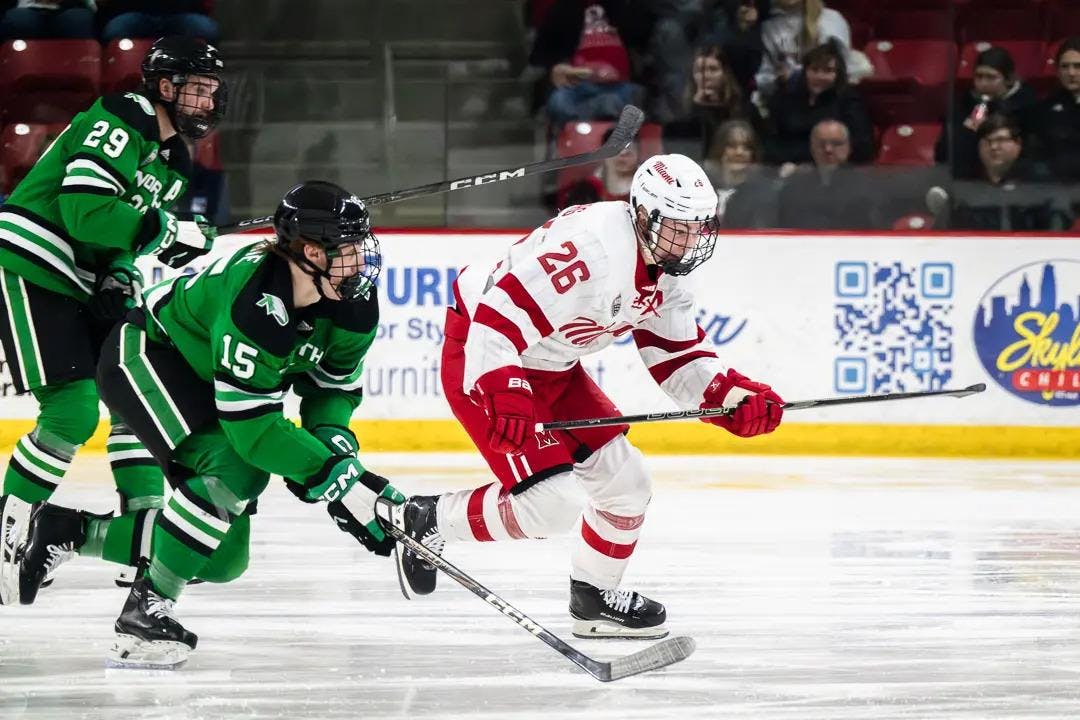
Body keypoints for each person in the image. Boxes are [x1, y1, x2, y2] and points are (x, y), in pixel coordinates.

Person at [392, 154, 783, 639]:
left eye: (697, 227)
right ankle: (426, 518)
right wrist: (506, 390)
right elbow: (497, 316)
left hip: (553, 366)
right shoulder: (593, 252)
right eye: (675, 227)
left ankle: (593, 598)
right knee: (552, 503)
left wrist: (733, 396)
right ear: (642, 214)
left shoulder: (667, 267)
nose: (688, 241)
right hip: (487, 353)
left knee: (628, 484)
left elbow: (675, 352)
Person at [18, 181, 407, 669]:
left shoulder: (354, 305)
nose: (363, 260)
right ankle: (144, 613)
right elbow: (253, 430)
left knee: (223, 559)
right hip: (149, 355)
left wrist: (337, 456)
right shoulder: (257, 301)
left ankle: (69, 531)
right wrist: (335, 479)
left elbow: (330, 390)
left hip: (209, 380)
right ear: (311, 251)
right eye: (350, 249)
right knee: (238, 468)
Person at [0, 36, 225, 606]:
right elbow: (85, 209)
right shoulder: (127, 115)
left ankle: (145, 537)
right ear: (165, 87)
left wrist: (122, 273)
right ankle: (9, 532)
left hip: (82, 274)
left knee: (134, 395)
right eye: (197, 89)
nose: (207, 101)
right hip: (34, 261)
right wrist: (165, 234)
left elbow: (121, 236)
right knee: (72, 411)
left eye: (212, 91)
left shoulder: (175, 160)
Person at [936, 114, 1073, 232]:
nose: (994, 147)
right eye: (987, 141)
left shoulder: (1039, 182)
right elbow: (941, 233)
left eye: (1001, 140)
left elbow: (1057, 227)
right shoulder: (965, 183)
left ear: (1017, 144)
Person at [763, 40, 873, 168]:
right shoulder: (785, 96)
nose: (819, 76)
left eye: (828, 71)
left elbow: (861, 146)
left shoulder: (849, 100)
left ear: (838, 75)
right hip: (787, 168)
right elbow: (771, 143)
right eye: (814, 70)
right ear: (805, 71)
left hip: (836, 171)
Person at [935, 46, 1039, 180]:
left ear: (1008, 79)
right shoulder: (964, 103)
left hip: (1020, 177)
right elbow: (943, 151)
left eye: (991, 77)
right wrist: (968, 131)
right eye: (979, 76)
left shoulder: (1026, 103)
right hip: (971, 177)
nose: (983, 83)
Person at [662, 44, 762, 160]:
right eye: (699, 71)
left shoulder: (745, 110)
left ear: (725, 73)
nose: (706, 77)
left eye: (713, 69)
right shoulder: (679, 112)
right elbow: (677, 153)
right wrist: (697, 109)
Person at [776, 118, 879, 229]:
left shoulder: (864, 184)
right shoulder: (795, 183)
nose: (828, 149)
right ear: (811, 147)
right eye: (821, 143)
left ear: (848, 147)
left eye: (836, 143)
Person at [754, 0, 854, 99]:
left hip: (829, 101)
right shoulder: (768, 28)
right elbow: (763, 78)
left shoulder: (831, 20)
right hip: (787, 102)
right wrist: (778, 81)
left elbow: (843, 70)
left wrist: (795, 77)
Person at [704, 120, 779, 228]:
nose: (739, 152)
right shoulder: (702, 187)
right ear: (719, 149)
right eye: (732, 146)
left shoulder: (763, 193)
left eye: (746, 147)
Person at [1027, 37, 1080, 184]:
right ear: (1057, 70)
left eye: (1077, 66)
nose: (1071, 73)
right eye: (1065, 66)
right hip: (1055, 186)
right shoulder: (1045, 107)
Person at [560, 126, 640, 207]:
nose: (623, 153)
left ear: (637, 151)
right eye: (615, 148)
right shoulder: (585, 189)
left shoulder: (648, 185)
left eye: (629, 147)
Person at [0, 0, 95, 39]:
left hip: (67, 8)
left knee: (78, 20)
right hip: (27, 7)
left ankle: (79, 75)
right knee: (21, 20)